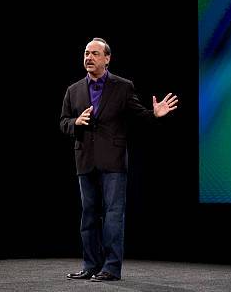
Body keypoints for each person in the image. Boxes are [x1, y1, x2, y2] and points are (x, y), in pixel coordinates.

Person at [60, 37, 177, 282]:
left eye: (94, 54)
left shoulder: (123, 87)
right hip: (85, 160)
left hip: (113, 161)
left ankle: (111, 268)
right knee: (89, 215)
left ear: (107, 58)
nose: (88, 58)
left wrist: (154, 114)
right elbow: (63, 122)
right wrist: (75, 123)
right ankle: (91, 266)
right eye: (86, 53)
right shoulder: (73, 90)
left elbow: (139, 115)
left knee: (113, 215)